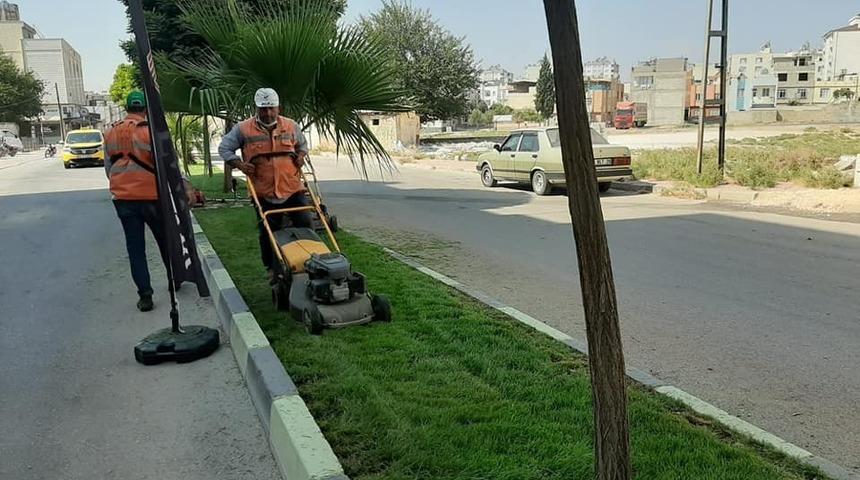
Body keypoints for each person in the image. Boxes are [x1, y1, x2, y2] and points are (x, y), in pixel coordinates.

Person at [218, 88, 313, 281]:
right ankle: (271, 267)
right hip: (264, 191)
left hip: (292, 187)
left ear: (278, 107)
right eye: (263, 109)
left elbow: (302, 146)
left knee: (305, 222)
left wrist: (301, 156)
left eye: (271, 108)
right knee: (268, 231)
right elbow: (224, 148)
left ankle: (311, 261)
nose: (268, 113)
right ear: (256, 108)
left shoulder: (291, 126)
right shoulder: (243, 129)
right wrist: (239, 164)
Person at [104, 91, 169, 312]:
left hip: (123, 199)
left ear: (127, 107)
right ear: (145, 109)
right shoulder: (150, 132)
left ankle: (145, 296)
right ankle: (174, 280)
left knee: (135, 248)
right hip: (151, 196)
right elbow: (165, 165)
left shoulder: (110, 132)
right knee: (164, 241)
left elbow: (108, 169)